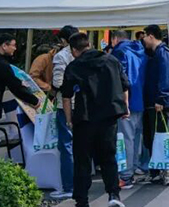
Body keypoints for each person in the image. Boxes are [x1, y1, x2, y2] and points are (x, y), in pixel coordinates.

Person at [60, 33, 129, 207]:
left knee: (82, 160)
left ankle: (82, 200)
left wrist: (69, 120)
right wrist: (125, 107)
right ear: (89, 44)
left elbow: (66, 96)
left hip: (85, 118)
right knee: (108, 157)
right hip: (109, 116)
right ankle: (113, 194)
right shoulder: (111, 60)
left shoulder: (74, 66)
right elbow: (125, 86)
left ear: (73, 50)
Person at [109, 29, 147, 189]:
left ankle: (126, 175)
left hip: (126, 102)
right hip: (141, 99)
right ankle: (136, 167)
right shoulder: (141, 50)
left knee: (126, 139)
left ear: (115, 39)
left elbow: (119, 79)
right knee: (137, 137)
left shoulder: (119, 52)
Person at [141, 24, 169, 186]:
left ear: (150, 36)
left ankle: (166, 171)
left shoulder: (163, 53)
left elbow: (166, 77)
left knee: (163, 137)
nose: (143, 39)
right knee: (153, 138)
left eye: (144, 36)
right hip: (152, 102)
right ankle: (156, 171)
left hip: (160, 103)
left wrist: (161, 99)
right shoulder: (155, 53)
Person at [51, 25, 80, 200]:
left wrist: (52, 93)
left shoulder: (61, 56)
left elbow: (57, 82)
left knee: (66, 145)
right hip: (84, 104)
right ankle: (81, 183)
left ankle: (69, 186)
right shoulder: (87, 53)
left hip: (66, 105)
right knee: (81, 145)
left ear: (64, 40)